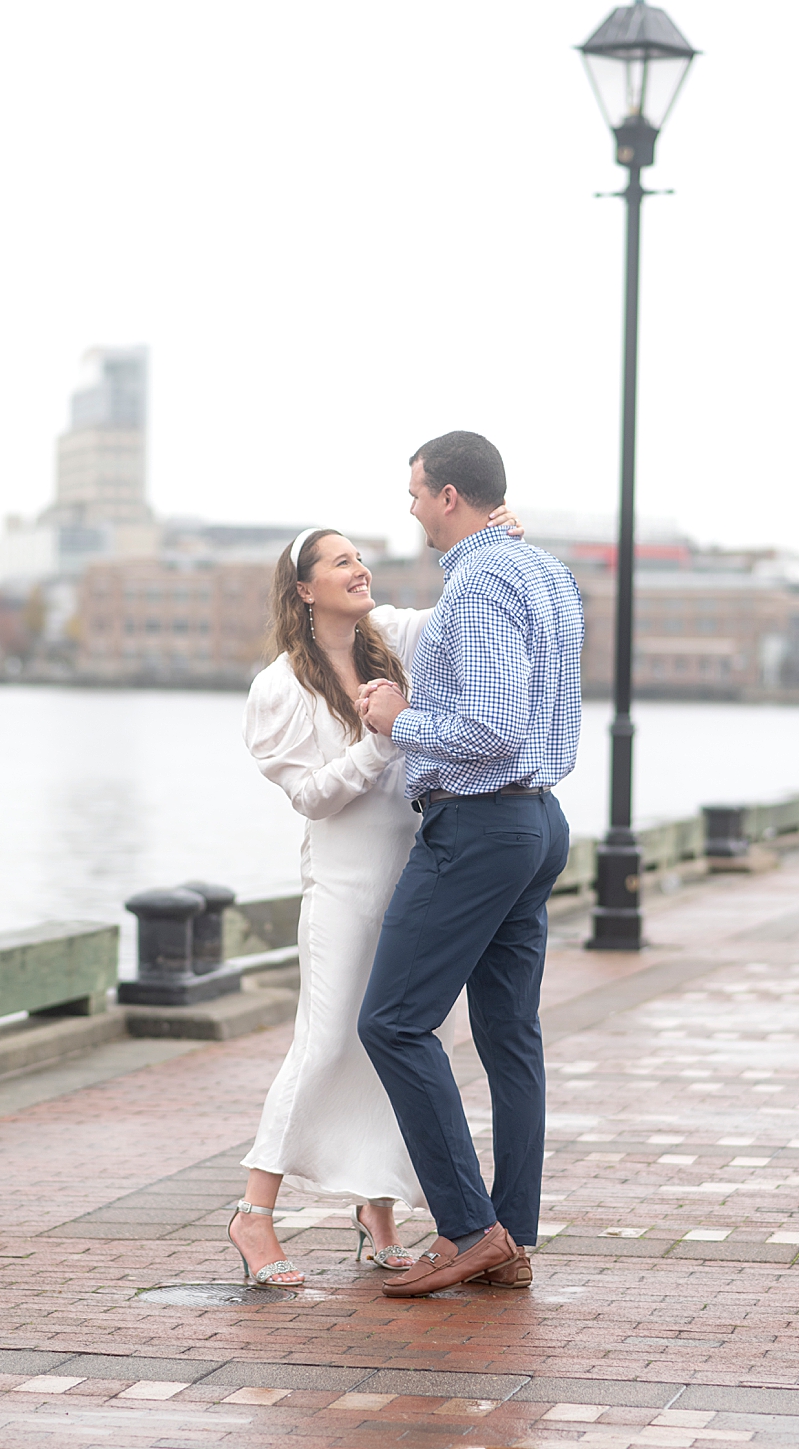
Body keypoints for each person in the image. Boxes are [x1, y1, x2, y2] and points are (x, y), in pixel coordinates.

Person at [230, 506, 523, 1287]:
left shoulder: (392, 639)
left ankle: (379, 1209)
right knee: (325, 1042)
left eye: (360, 557)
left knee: (408, 1043)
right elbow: (314, 798)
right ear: (302, 589)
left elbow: (463, 607)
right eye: (339, 562)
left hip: (418, 877)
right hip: (344, 889)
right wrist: (377, 743)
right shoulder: (280, 686)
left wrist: (498, 543)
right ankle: (254, 1215)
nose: (360, 569)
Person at [356, 430, 584, 1299]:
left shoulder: (483, 585)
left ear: (450, 495)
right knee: (509, 1040)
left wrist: (395, 718)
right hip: (535, 823)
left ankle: (467, 1229)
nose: (411, 508)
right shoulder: (543, 573)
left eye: (416, 492)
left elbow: (489, 726)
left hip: (481, 826)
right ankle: (509, 1240)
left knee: (395, 1023)